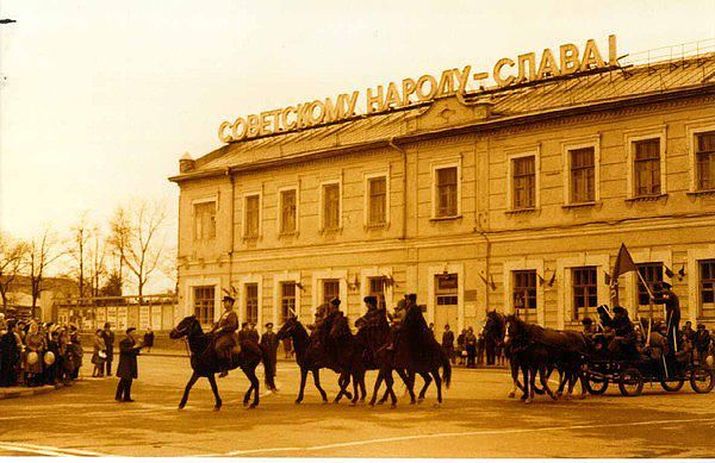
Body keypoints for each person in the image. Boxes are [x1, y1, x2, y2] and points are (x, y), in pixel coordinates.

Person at [210, 295, 239, 378]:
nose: (224, 304)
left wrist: (222, 329)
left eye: (226, 302)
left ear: (230, 303)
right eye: (224, 302)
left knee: (218, 347)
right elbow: (219, 324)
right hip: (222, 335)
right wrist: (211, 331)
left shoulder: (232, 313)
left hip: (229, 335)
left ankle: (224, 368)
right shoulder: (225, 313)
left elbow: (233, 325)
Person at [115, 327, 142, 402]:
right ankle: (118, 396)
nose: (134, 334)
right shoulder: (124, 341)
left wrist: (139, 348)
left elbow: (134, 350)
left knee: (129, 380)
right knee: (124, 380)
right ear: (128, 333)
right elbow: (124, 350)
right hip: (125, 363)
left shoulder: (133, 341)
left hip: (131, 362)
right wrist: (134, 348)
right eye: (133, 332)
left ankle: (127, 396)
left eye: (135, 332)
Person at [654, 282, 680, 353]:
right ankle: (671, 347)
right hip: (670, 313)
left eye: (662, 289)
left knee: (672, 331)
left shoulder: (671, 295)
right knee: (669, 331)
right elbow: (661, 297)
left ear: (666, 289)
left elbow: (664, 300)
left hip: (673, 314)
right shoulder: (669, 294)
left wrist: (654, 300)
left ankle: (675, 348)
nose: (661, 291)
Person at [260, 322, 280, 392]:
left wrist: (274, 348)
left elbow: (277, 343)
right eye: (268, 328)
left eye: (271, 327)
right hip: (266, 356)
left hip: (272, 355)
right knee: (268, 371)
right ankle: (271, 385)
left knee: (272, 370)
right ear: (266, 328)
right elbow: (261, 345)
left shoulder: (274, 335)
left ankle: (269, 383)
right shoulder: (264, 336)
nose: (270, 329)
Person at [0, 319, 19, 387]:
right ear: (13, 328)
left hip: (6, 355)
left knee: (6, 368)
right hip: (8, 355)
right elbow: (13, 346)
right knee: (8, 368)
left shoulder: (6, 335)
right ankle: (7, 382)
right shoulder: (11, 336)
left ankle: (6, 382)